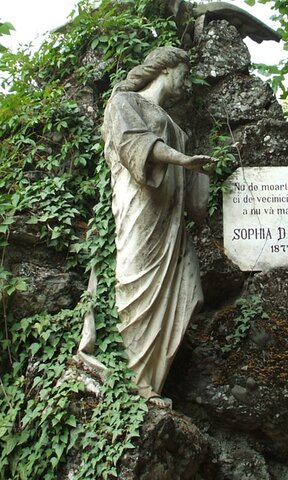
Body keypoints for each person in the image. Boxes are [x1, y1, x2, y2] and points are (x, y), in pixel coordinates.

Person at [80, 46, 215, 408]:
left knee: (190, 292)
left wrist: (206, 175)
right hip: (140, 208)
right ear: (166, 68)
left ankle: (149, 379)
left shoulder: (178, 130)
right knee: (135, 282)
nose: (186, 81)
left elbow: (195, 201)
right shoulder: (124, 103)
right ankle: (134, 382)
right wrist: (183, 161)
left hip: (171, 219)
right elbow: (134, 145)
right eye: (183, 72)